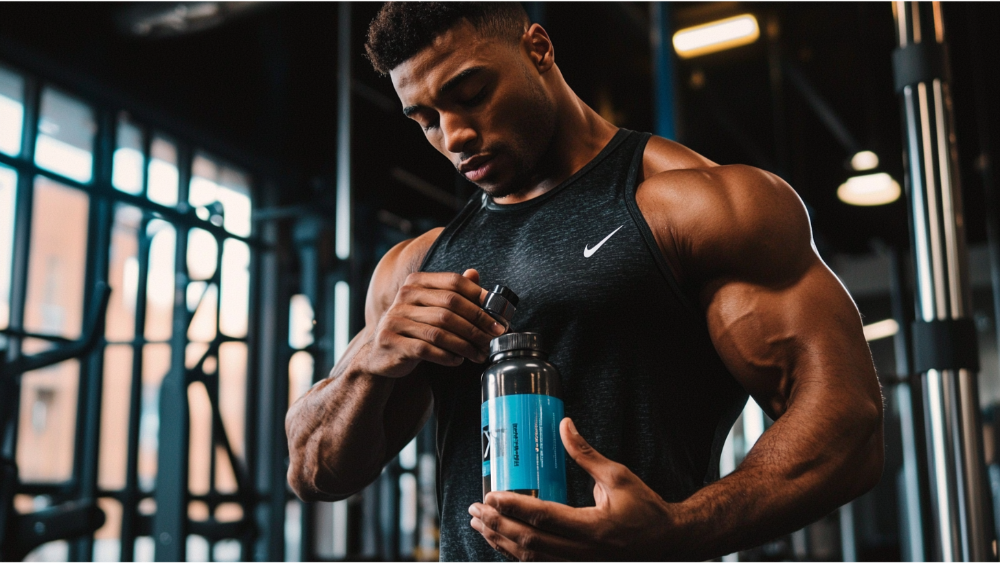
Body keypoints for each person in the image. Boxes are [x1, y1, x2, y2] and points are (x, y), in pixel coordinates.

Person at [285, 3, 884, 561]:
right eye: (426, 120)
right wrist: (370, 356)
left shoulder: (697, 207)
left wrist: (679, 530)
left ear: (539, 49)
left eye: (471, 94)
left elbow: (850, 424)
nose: (455, 136)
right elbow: (315, 471)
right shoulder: (416, 267)